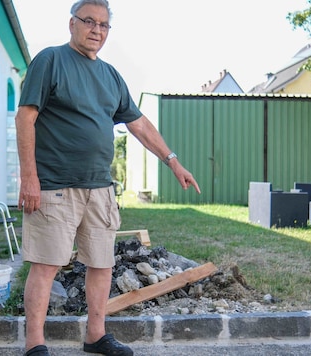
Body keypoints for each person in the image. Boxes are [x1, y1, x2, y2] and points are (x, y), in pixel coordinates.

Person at [15, 1, 201, 355]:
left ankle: (95, 336)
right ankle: (34, 343)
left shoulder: (111, 75)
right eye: (89, 21)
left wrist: (173, 161)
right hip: (55, 186)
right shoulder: (50, 61)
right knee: (47, 264)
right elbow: (25, 117)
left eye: (103, 25)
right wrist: (29, 177)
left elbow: (139, 124)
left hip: (100, 188)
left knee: (101, 263)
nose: (97, 30)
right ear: (72, 24)